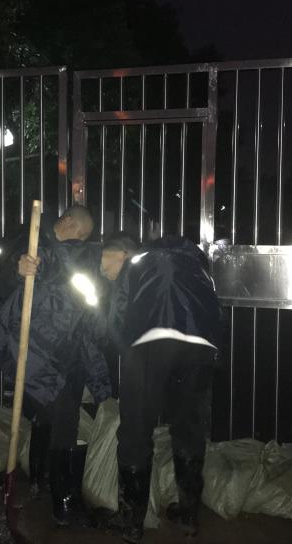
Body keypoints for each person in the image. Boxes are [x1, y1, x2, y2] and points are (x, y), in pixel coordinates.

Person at [0, 206, 111, 526]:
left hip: (15, 327)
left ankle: (40, 474)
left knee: (42, 394)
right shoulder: (27, 237)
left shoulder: (58, 250)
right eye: (81, 234)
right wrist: (18, 270)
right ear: (67, 222)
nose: (81, 241)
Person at [99, 233, 221, 543]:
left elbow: (119, 312)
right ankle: (189, 515)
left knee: (136, 429)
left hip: (149, 342)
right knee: (189, 428)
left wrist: (120, 348)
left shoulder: (138, 261)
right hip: (199, 346)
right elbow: (215, 312)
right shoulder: (198, 267)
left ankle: (131, 522)